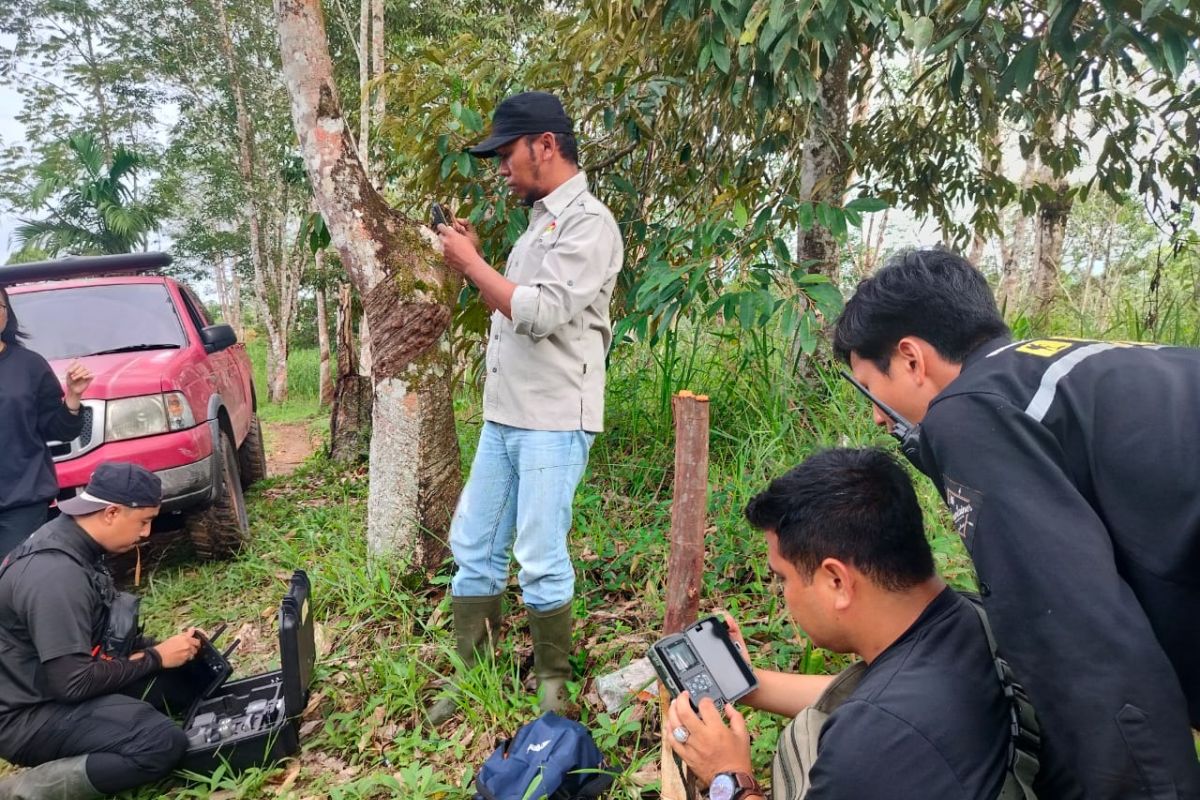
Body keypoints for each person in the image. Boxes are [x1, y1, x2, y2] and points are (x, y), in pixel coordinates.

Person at [832, 248, 1200, 799]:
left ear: (910, 358)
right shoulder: (1086, 366)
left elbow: (1075, 637)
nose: (878, 417)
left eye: (869, 388)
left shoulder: (971, 409)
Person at [430, 90, 624, 724]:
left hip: (553, 417)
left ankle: (552, 684)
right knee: (474, 542)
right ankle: (470, 670)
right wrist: (476, 257)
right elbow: (510, 298)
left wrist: (471, 262)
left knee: (540, 552)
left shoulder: (590, 223)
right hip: (505, 413)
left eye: (506, 153)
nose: (501, 167)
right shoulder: (540, 223)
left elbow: (539, 312)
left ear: (546, 145)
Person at [665, 448, 1011, 799]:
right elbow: (877, 696)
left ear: (837, 582)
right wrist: (749, 684)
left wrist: (729, 779)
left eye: (783, 578)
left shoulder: (868, 746)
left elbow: (881, 717)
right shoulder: (973, 616)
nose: (784, 595)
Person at [0, 462, 204, 799]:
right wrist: (155, 657)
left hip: (56, 682)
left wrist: (170, 650)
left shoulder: (77, 542)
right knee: (160, 742)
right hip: (27, 716)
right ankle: (21, 791)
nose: (146, 533)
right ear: (110, 513)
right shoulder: (55, 575)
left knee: (185, 677)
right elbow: (72, 683)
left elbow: (95, 644)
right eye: (143, 521)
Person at [0, 284, 94, 556]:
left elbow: (58, 429)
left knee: (12, 578)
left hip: (22, 500)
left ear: (7, 315)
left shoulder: (29, 365)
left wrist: (73, 398)